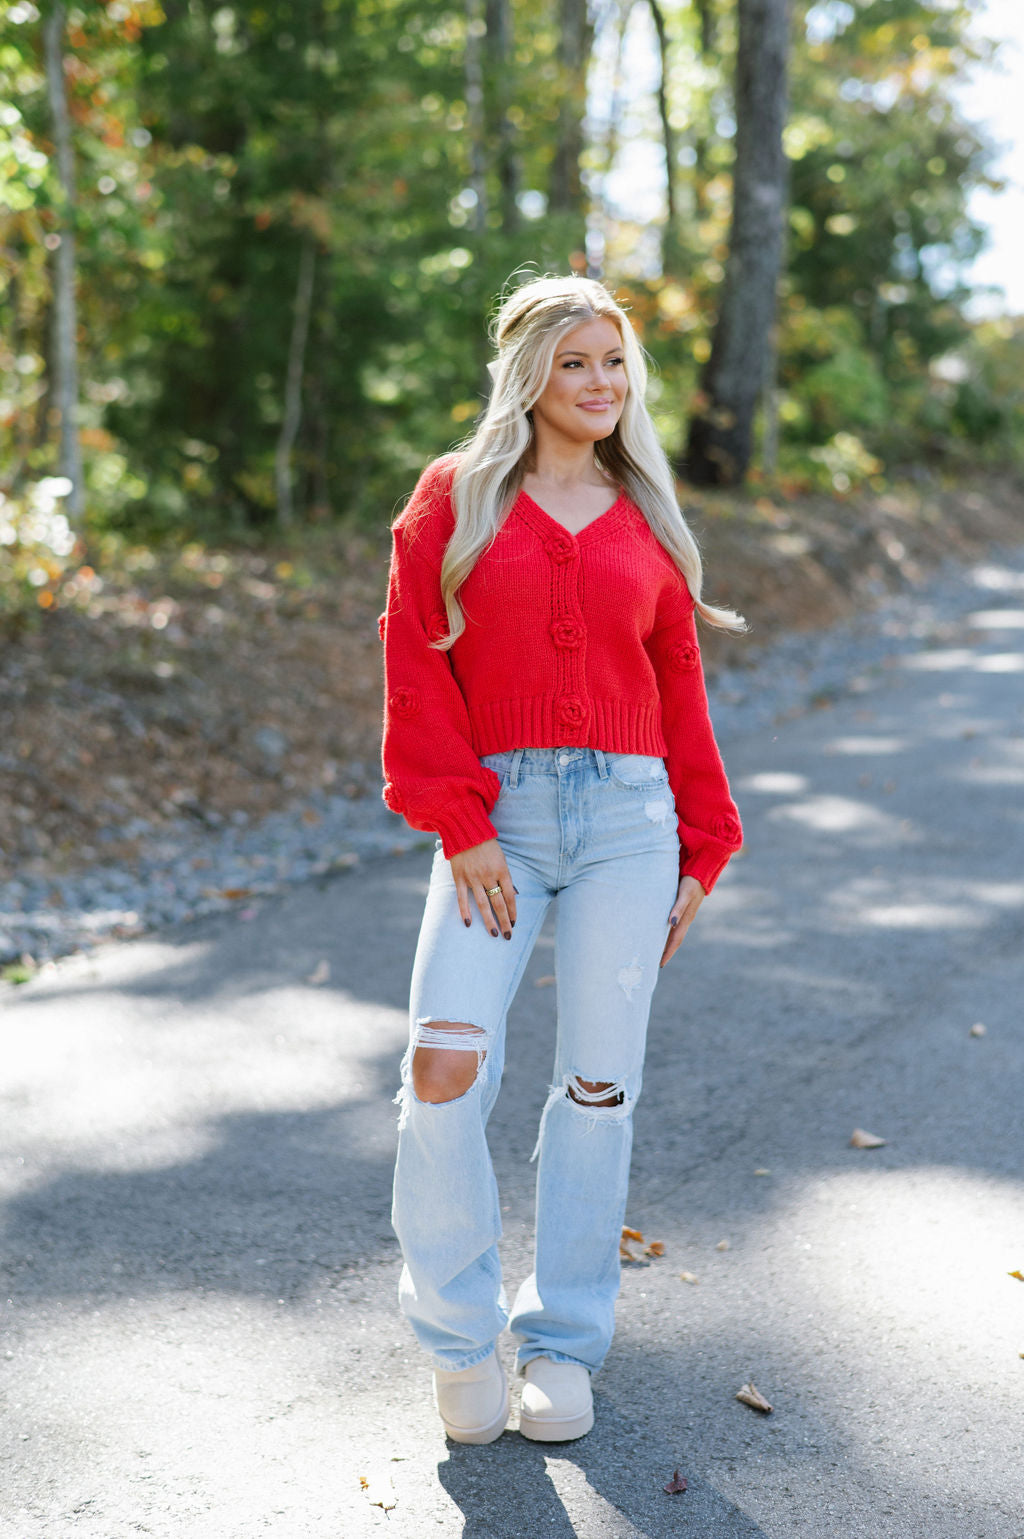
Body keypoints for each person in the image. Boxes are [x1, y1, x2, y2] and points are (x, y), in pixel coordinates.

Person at [378, 273, 744, 1445]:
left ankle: (563, 1341)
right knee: (443, 1066)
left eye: (615, 363)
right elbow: (412, 659)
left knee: (597, 1092)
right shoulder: (456, 497)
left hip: (632, 828)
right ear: (529, 371)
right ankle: (454, 1336)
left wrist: (705, 837)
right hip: (500, 822)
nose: (600, 383)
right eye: (576, 361)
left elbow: (678, 686)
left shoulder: (644, 509)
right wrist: (460, 819)